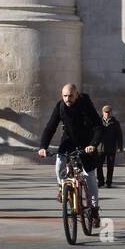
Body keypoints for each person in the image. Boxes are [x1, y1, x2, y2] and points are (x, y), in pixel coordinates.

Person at [37, 83, 104, 224]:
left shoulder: (85, 105)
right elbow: (50, 127)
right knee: (59, 164)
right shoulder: (60, 106)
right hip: (69, 140)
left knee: (89, 177)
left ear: (77, 95)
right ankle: (62, 188)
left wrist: (93, 145)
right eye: (65, 96)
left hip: (87, 142)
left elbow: (98, 126)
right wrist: (43, 147)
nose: (67, 99)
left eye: (70, 96)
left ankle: (94, 210)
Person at [96, 104, 124, 188]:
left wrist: (119, 146)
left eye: (108, 112)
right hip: (100, 147)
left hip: (111, 147)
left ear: (111, 112)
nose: (107, 114)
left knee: (110, 166)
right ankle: (100, 181)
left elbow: (119, 135)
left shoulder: (115, 123)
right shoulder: (98, 121)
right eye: (105, 112)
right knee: (99, 165)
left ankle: (109, 182)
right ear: (102, 112)